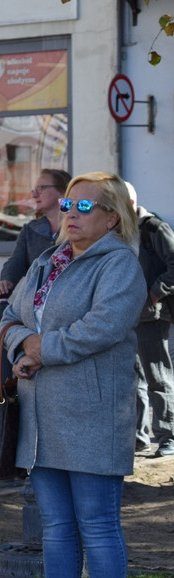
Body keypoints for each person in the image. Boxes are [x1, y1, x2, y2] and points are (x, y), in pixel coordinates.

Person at [5, 172, 145, 578]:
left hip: (93, 415)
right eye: (68, 203)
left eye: (86, 206)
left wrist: (43, 349)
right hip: (41, 419)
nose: (71, 212)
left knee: (99, 526)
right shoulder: (46, 261)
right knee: (58, 529)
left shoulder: (121, 264)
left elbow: (105, 325)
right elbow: (9, 317)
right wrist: (21, 345)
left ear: (113, 217)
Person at [126, 182, 174, 457]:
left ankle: (167, 436)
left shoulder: (153, 227)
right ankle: (139, 436)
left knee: (158, 376)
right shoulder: (118, 231)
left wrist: (155, 292)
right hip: (128, 316)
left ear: (130, 202)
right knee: (134, 379)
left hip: (151, 315)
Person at [0, 169, 72, 299]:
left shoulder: (78, 227)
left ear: (62, 192)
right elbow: (16, 261)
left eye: (41, 188)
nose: (34, 195)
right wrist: (6, 280)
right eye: (34, 190)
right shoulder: (30, 230)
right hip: (36, 304)